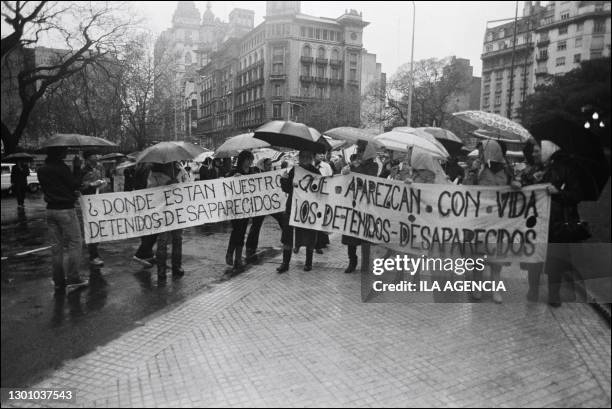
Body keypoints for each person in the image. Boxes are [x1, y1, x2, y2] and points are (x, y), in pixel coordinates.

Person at [539, 140, 585, 307]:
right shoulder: (549, 169)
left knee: (556, 259)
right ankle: (554, 293)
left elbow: (576, 195)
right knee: (554, 258)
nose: (539, 151)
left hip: (559, 222)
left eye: (542, 147)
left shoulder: (567, 170)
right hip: (550, 221)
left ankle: (555, 294)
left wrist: (558, 193)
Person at [38, 147, 88, 292]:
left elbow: (57, 186)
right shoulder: (61, 167)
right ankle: (73, 278)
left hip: (50, 210)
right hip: (65, 210)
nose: (66, 152)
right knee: (75, 243)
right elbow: (75, 183)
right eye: (64, 150)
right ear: (59, 153)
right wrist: (77, 167)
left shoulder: (42, 170)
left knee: (56, 247)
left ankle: (58, 280)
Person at [468, 140, 511, 303]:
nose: (479, 155)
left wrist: (516, 185)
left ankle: (495, 291)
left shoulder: (506, 171)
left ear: (491, 151)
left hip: (498, 220)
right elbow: (466, 189)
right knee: (478, 257)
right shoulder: (477, 169)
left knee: (496, 259)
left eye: (482, 151)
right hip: (480, 220)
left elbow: (513, 191)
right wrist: (472, 172)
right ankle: (477, 288)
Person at [277, 150, 320, 273]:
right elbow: (286, 188)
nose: (305, 158)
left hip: (309, 209)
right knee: (287, 235)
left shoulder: (316, 172)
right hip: (292, 207)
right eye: (303, 156)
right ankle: (285, 263)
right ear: (299, 158)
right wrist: (284, 180)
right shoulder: (294, 170)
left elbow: (321, 189)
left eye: (307, 156)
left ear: (311, 157)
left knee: (310, 234)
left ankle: (308, 263)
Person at [340, 141, 379, 274]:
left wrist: (357, 167)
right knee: (351, 235)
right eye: (358, 151)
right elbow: (346, 179)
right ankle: (352, 261)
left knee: (366, 237)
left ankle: (366, 263)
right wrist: (346, 170)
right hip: (353, 204)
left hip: (366, 206)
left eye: (362, 151)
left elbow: (367, 178)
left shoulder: (373, 166)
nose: (359, 153)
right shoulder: (354, 163)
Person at [516, 139, 545, 302]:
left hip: (553, 220)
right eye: (533, 151)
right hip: (533, 220)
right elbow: (520, 183)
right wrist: (517, 183)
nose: (533, 154)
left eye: (537, 151)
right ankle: (533, 289)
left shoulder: (557, 169)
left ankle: (554, 292)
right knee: (534, 256)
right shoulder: (529, 170)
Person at [150, 162, 184, 281]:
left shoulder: (179, 170)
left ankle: (177, 266)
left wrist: (179, 182)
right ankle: (161, 270)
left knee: (178, 239)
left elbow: (188, 185)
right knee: (162, 241)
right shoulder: (154, 174)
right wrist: (166, 185)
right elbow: (150, 191)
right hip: (162, 212)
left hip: (177, 211)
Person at [225, 151, 258, 272]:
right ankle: (229, 253)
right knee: (236, 231)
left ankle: (238, 258)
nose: (250, 162)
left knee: (243, 231)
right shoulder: (234, 172)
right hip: (235, 208)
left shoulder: (252, 172)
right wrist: (232, 178)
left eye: (251, 160)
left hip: (247, 207)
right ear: (242, 160)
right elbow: (224, 184)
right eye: (248, 159)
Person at [80, 152, 111, 267]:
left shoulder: (98, 168)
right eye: (94, 155)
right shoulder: (83, 170)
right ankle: (93, 256)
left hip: (97, 201)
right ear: (88, 158)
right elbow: (80, 186)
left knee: (97, 228)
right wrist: (92, 184)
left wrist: (103, 183)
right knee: (92, 229)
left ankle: (94, 252)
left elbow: (102, 181)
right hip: (88, 203)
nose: (97, 156)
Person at [133, 162, 157, 268]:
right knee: (153, 228)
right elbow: (148, 184)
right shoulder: (149, 168)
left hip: (143, 200)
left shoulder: (141, 168)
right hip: (148, 201)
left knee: (148, 228)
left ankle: (147, 252)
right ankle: (140, 253)